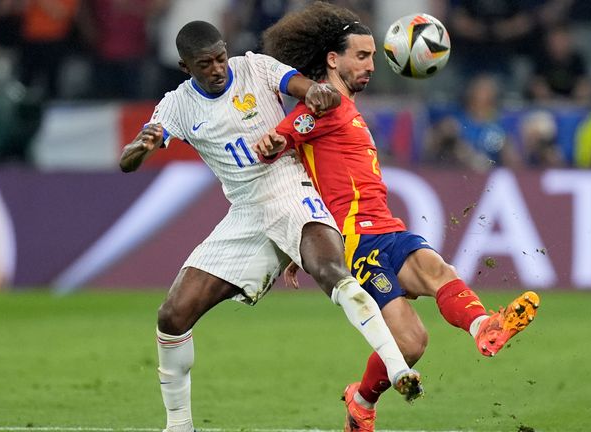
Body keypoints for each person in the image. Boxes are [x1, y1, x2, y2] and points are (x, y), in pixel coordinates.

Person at [118, 21, 422, 432]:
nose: (217, 68)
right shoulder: (177, 105)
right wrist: (140, 148)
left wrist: (314, 92)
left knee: (332, 271)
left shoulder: (254, 68)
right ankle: (179, 425)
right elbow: (140, 148)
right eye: (204, 63)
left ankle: (396, 366)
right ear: (184, 65)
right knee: (172, 315)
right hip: (245, 213)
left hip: (290, 188)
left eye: (221, 57)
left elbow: (304, 88)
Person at [254, 4, 540, 431]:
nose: (372, 65)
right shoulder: (324, 104)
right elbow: (283, 139)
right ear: (333, 59)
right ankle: (362, 401)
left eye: (373, 56)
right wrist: (272, 143)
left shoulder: (348, 109)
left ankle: (485, 326)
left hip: (386, 228)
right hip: (356, 243)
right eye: (362, 56)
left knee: (437, 270)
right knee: (411, 343)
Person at [425, 74, 522, 171]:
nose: (485, 96)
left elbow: (514, 162)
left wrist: (506, 147)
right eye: (481, 91)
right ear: (471, 95)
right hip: (459, 172)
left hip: (489, 174)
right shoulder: (456, 121)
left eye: (489, 93)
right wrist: (448, 138)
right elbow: (431, 146)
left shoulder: (499, 126)